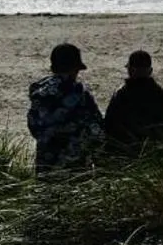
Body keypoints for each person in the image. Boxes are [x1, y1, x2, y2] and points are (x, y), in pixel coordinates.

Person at [26, 42, 105, 176]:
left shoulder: (40, 93)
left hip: (46, 163)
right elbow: (95, 130)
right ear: (74, 68)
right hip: (74, 164)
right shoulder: (79, 93)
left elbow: (33, 126)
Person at [103, 50, 163, 161]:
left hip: (126, 159)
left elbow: (109, 129)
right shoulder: (162, 95)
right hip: (158, 160)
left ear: (130, 70)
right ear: (150, 71)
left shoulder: (121, 95)